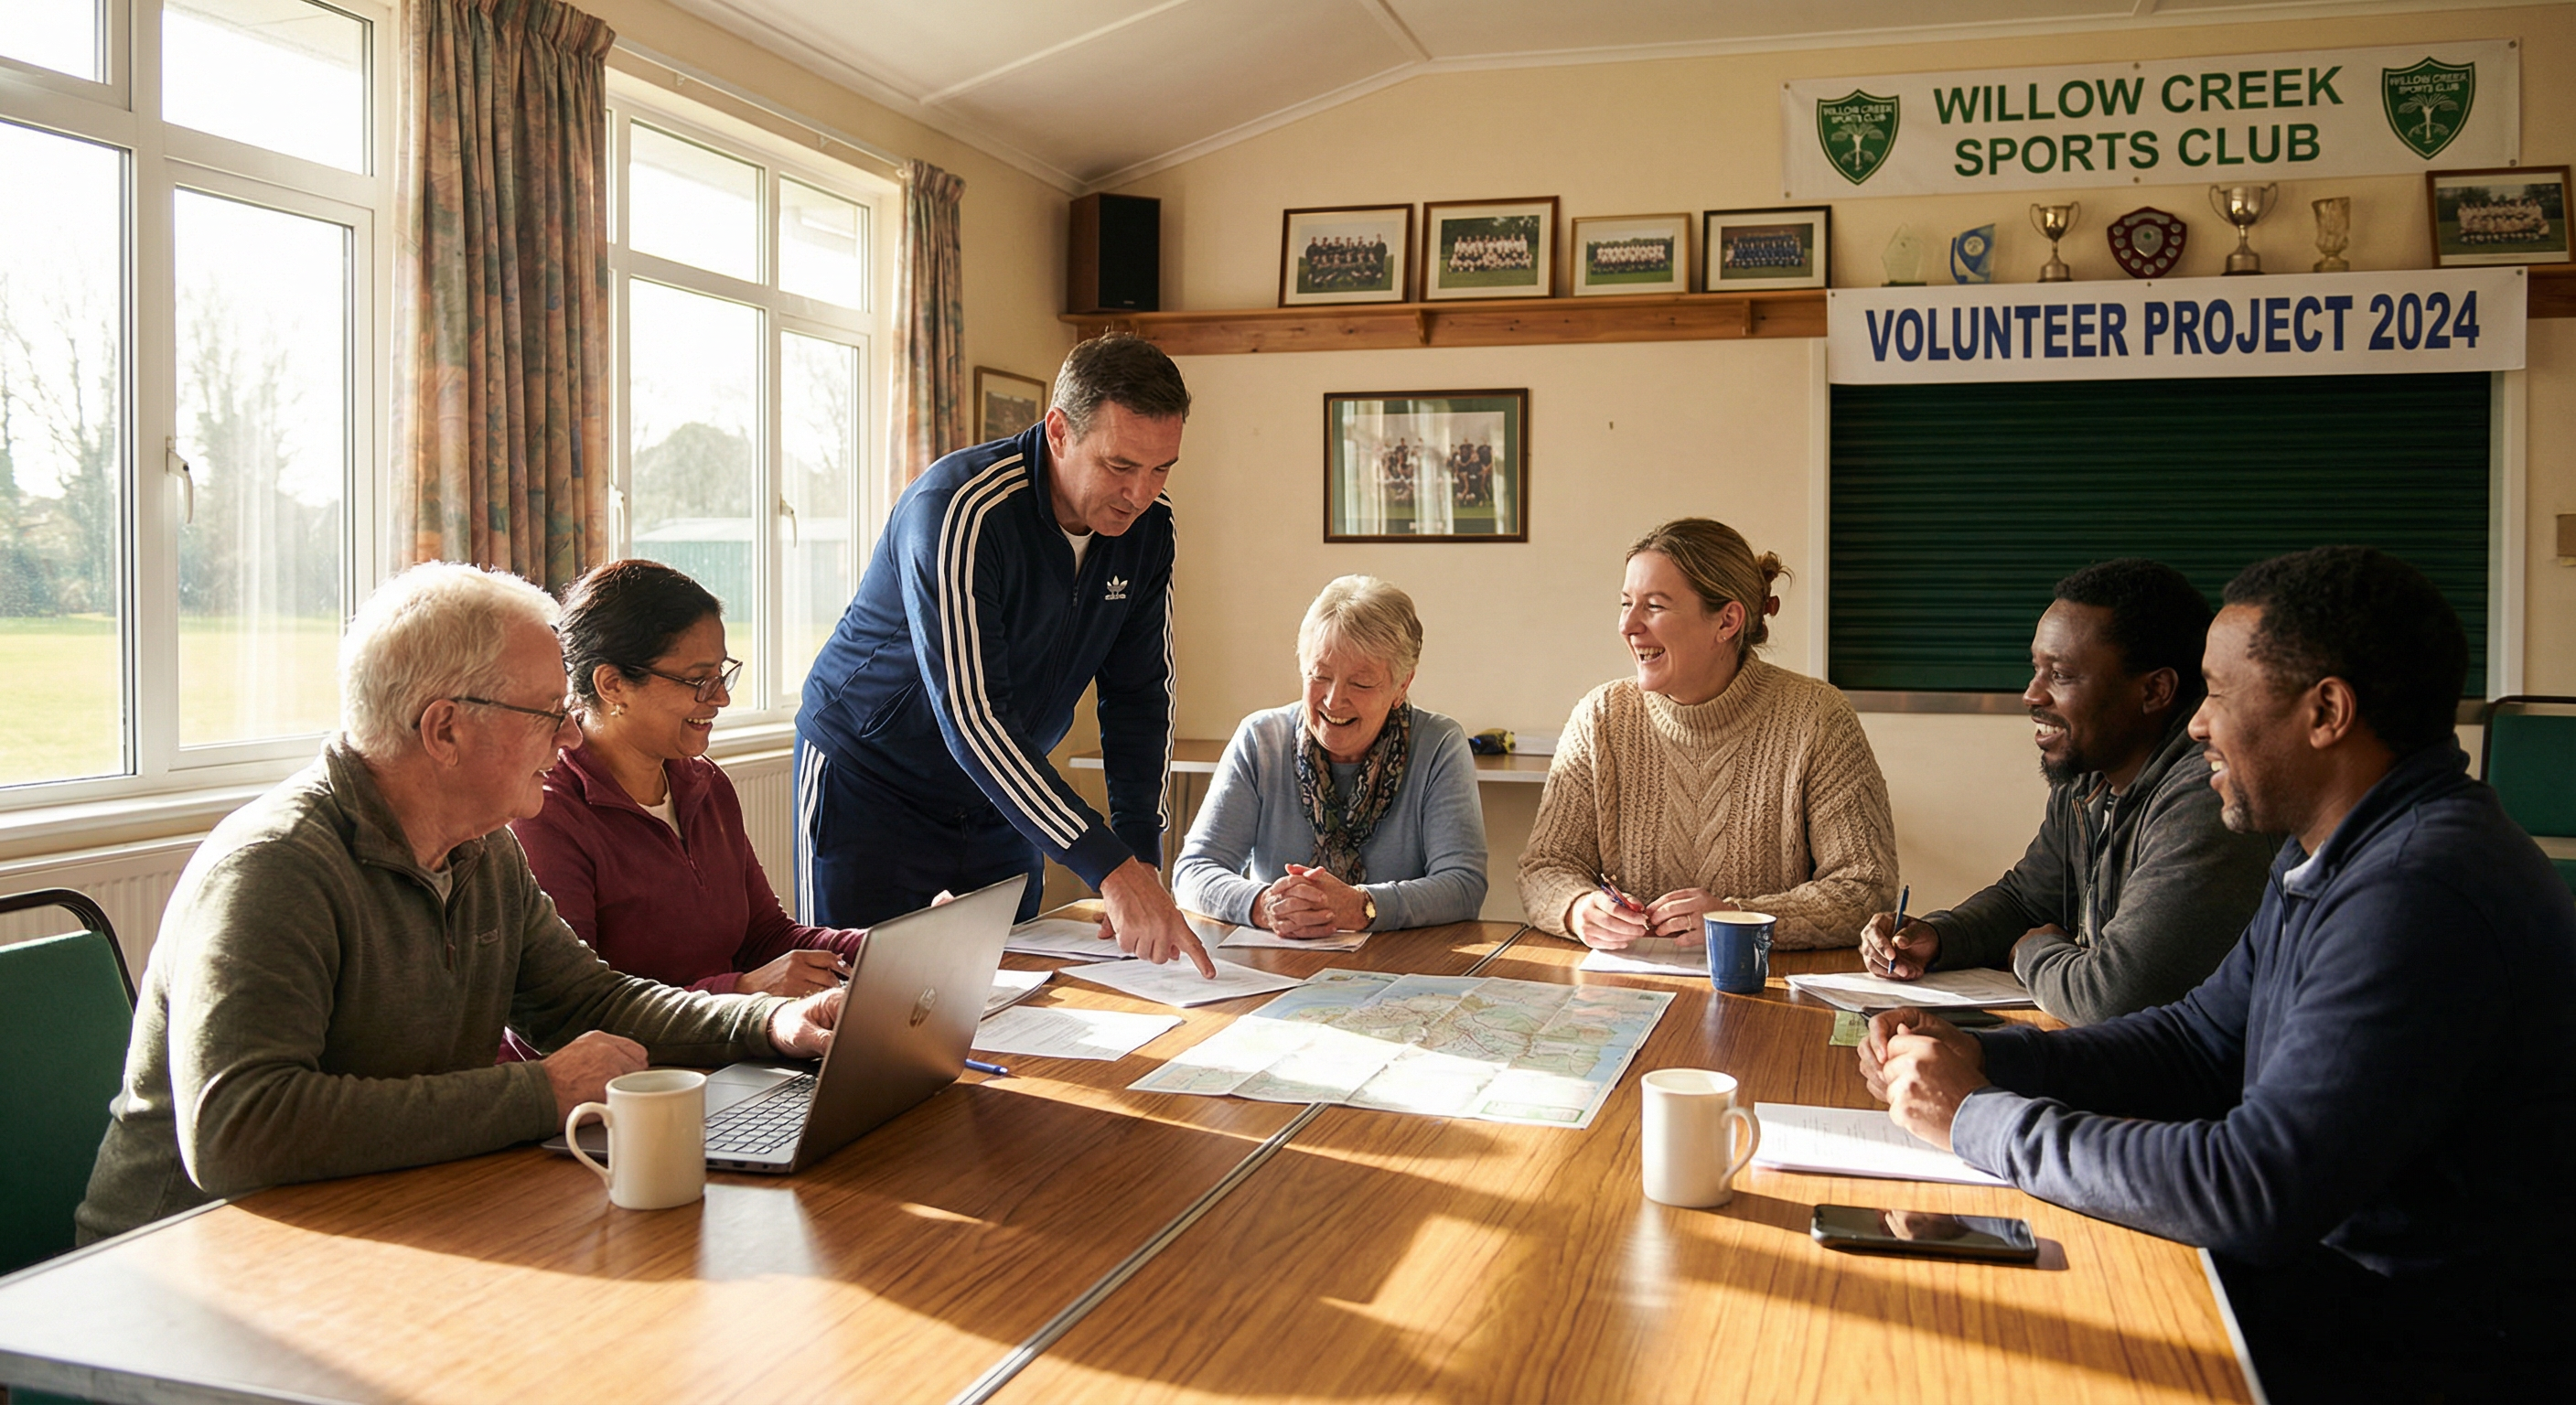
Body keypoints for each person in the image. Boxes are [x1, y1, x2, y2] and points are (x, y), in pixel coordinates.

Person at [1862, 546, 2576, 1401]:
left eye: (2222, 695)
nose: (2198, 723)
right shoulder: (2331, 852)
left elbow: (2253, 1185)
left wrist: (1979, 1120)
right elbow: (2200, 1040)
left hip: (2424, 1348)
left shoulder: (2420, 890)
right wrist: (1989, 1057)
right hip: (2331, 1298)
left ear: (2327, 713)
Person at [77, 563, 843, 1243]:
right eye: (548, 712)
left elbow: (587, 1001)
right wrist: (538, 1094)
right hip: (182, 1269)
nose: (570, 736)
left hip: (372, 1222)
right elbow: (240, 1131)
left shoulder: (483, 848)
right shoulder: (274, 867)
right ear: (444, 728)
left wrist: (771, 1022)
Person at [796, 333, 1212, 975]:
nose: (1140, 493)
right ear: (1058, 432)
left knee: (1016, 994)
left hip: (1001, 793)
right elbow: (974, 718)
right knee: (855, 1001)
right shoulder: (961, 510)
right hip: (872, 785)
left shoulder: (1150, 528)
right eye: (1120, 466)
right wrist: (1111, 870)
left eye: (1162, 469)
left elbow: (1139, 697)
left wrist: (1138, 853)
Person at [1856, 559, 2276, 1023]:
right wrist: (1938, 937)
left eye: (2061, 675)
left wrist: (2032, 952)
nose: (2032, 695)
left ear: (2155, 690)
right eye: (2036, 669)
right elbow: (2028, 899)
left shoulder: (2208, 795)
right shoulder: (2088, 773)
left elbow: (2111, 996)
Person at [510, 559, 863, 1023]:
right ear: (613, 684)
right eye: (699, 680)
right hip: (627, 1082)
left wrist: (891, 948)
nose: (721, 697)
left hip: (727, 1048)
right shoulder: (546, 811)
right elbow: (573, 1011)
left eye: (722, 673)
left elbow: (765, 936)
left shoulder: (705, 783)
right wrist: (740, 991)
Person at [1518, 518, 1896, 950]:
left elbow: (1866, 888)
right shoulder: (1600, 717)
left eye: (1654, 606)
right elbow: (1545, 867)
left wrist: (1737, 920)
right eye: (1626, 604)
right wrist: (1577, 907)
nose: (1628, 626)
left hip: (1765, 991)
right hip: (1628, 991)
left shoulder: (1816, 717)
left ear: (1727, 621)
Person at [1173, 576, 1487, 936]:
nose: (1334, 701)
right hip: (1279, 965)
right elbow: (1193, 871)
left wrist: (1363, 907)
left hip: (1403, 967)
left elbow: (1464, 887)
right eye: (1319, 676)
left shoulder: (1438, 744)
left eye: (1362, 683)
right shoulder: (1261, 740)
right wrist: (1264, 906)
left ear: (1402, 685)